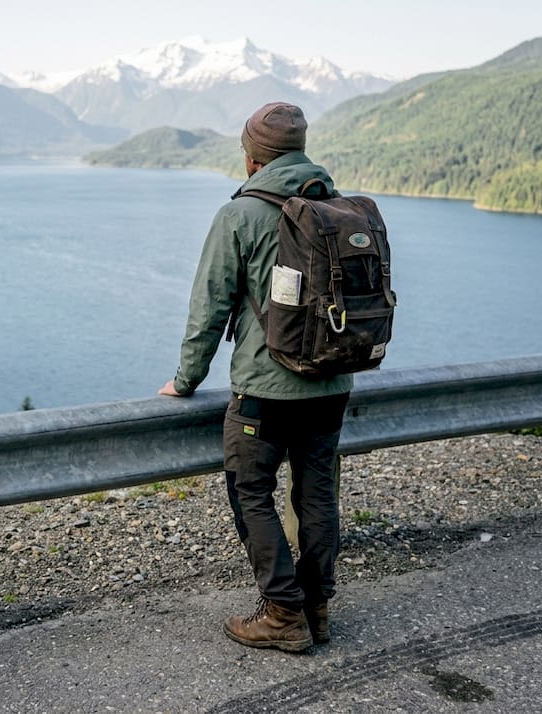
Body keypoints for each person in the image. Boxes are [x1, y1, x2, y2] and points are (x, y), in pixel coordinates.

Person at [158, 101, 350, 653]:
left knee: (251, 492)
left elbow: (208, 311)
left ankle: (283, 612)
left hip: (266, 392)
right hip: (333, 384)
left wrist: (185, 381)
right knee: (317, 495)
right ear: (300, 150)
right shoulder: (334, 205)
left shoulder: (238, 215)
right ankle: (316, 606)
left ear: (251, 159)